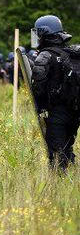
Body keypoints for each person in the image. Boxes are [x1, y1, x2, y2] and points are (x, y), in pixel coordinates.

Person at [30, 15, 80, 171]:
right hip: (75, 112)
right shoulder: (71, 54)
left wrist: (41, 107)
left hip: (57, 113)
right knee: (67, 147)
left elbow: (38, 88)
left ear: (44, 33)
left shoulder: (45, 55)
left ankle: (59, 184)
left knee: (56, 154)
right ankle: (69, 179)